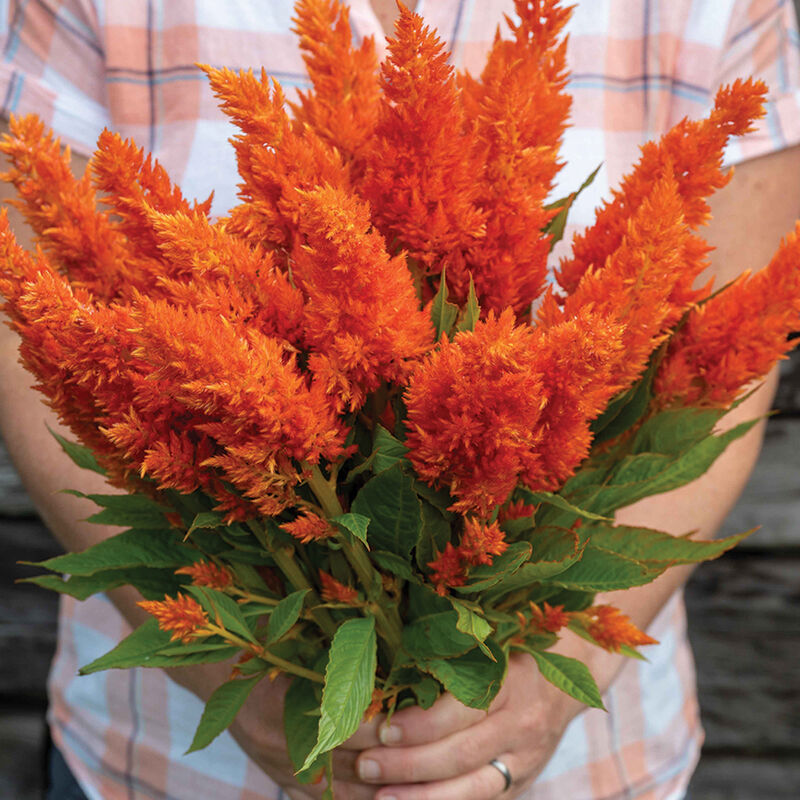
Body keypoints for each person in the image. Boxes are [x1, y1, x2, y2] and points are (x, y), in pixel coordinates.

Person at [2, 1, 800, 798]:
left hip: (585, 766)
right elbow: (30, 324)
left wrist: (563, 678)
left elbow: (720, 362)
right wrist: (228, 670)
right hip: (162, 763)